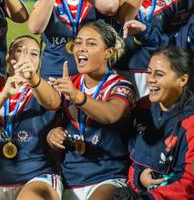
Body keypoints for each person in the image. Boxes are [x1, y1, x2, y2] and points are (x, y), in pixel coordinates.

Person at [46, 20, 136, 200]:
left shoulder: (121, 85)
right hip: (69, 178)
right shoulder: (69, 84)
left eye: (91, 43)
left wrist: (78, 97)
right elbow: (54, 126)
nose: (81, 48)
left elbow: (111, 114)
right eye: (78, 42)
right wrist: (52, 135)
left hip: (108, 178)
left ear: (108, 52)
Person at [0, 36, 63, 200]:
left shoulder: (46, 85)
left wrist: (32, 79)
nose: (26, 57)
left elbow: (52, 102)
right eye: (19, 51)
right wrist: (4, 95)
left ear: (39, 63)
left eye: (33, 54)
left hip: (37, 176)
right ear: (8, 58)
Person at [107, 0, 186, 97]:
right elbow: (124, 16)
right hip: (118, 73)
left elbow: (174, 43)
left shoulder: (172, 0)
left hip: (157, 75)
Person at [28, 0, 120, 79]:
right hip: (55, 77)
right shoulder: (48, 1)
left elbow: (111, 5)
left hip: (94, 78)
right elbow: (35, 28)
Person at [128, 47, 194, 197]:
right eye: (149, 72)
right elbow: (130, 159)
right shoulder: (142, 107)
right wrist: (138, 178)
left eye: (159, 74)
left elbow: (189, 182)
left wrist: (148, 198)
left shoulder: (191, 122)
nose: (150, 79)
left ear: (182, 80)